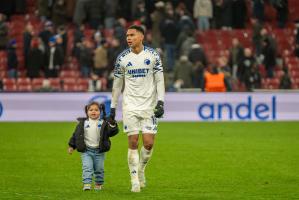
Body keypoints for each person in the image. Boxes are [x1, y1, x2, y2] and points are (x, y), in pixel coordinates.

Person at [110, 25, 165, 192]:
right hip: (130, 106)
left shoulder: (153, 55)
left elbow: (160, 80)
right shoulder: (122, 58)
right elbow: (117, 84)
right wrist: (113, 107)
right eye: (127, 35)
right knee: (133, 142)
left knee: (148, 144)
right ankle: (134, 179)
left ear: (141, 36)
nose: (128, 38)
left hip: (149, 105)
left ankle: (141, 169)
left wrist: (161, 102)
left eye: (132, 35)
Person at [68, 102, 119, 191]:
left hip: (99, 151)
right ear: (87, 112)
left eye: (96, 110)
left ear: (100, 112)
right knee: (87, 167)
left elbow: (112, 133)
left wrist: (112, 124)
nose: (93, 112)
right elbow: (76, 135)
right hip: (86, 151)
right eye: (91, 110)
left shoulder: (103, 122)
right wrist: (72, 146)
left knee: (99, 169)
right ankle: (87, 184)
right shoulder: (82, 123)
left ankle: (98, 184)